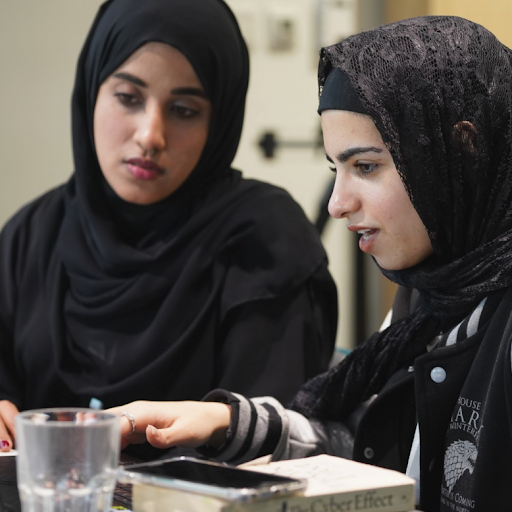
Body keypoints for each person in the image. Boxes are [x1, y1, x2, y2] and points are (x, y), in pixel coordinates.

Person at [109, 15, 512, 511]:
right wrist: (221, 421)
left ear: (463, 150)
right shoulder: (430, 297)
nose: (336, 203)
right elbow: (370, 451)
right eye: (336, 168)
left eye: (365, 166)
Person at [0, 0, 338, 453]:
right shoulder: (30, 236)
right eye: (128, 97)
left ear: (218, 123)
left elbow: (277, 447)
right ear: (90, 92)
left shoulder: (265, 241)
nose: (150, 136)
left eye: (183, 110)